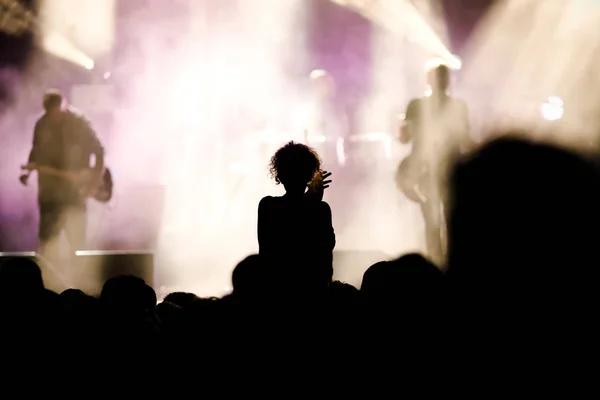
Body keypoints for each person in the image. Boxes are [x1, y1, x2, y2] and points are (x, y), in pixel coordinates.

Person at [21, 89, 104, 282]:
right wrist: (28, 171)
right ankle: (46, 283)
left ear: (64, 105)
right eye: (51, 114)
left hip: (74, 192)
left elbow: (99, 151)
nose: (55, 118)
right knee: (47, 241)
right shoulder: (41, 124)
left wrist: (94, 182)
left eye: (58, 113)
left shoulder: (80, 123)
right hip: (48, 193)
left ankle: (81, 284)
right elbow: (36, 151)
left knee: (77, 241)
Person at [399, 63, 471, 264]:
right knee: (432, 219)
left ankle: (445, 262)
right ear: (429, 80)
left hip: (448, 168)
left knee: (449, 218)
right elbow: (404, 137)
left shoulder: (458, 106)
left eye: (445, 77)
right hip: (425, 169)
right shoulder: (417, 106)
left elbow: (465, 138)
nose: (443, 81)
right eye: (439, 76)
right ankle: (437, 261)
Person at [257, 141, 335, 294]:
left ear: (279, 175)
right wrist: (310, 203)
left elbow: (270, 251)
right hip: (314, 291)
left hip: (276, 291)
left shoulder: (268, 206)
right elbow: (324, 253)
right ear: (310, 175)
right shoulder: (320, 209)